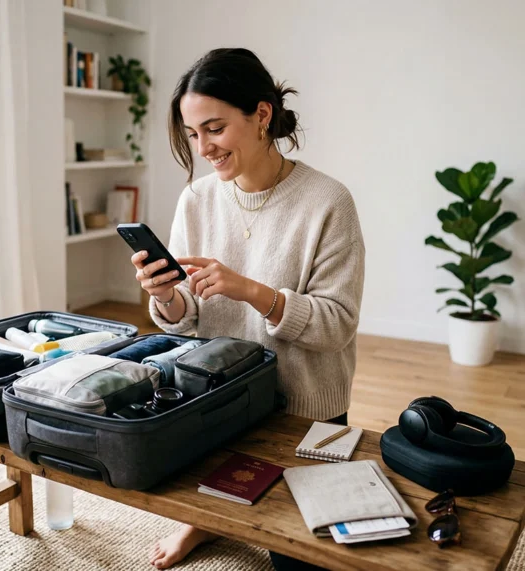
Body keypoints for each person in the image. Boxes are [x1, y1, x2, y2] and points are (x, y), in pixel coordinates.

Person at [132, 48, 365, 571]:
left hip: (303, 409)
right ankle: (204, 518)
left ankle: (216, 511)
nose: (204, 147)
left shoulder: (328, 201)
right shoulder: (197, 199)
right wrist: (165, 296)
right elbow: (184, 314)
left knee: (304, 562)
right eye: (193, 134)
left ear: (262, 115)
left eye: (214, 128)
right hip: (219, 398)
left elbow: (338, 325)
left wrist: (253, 291)